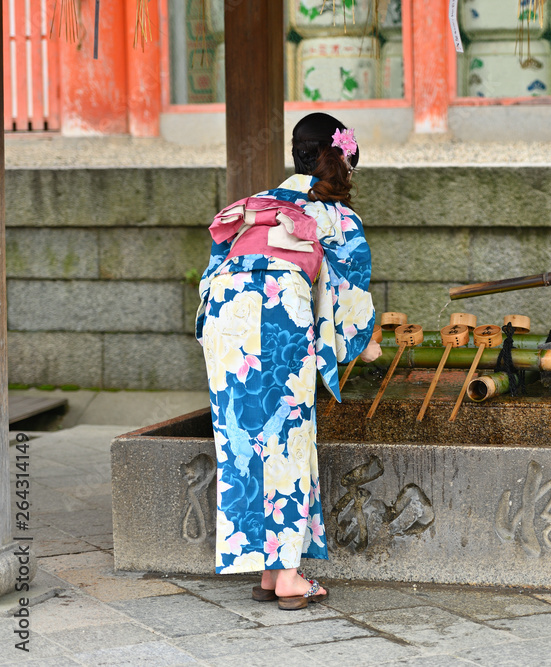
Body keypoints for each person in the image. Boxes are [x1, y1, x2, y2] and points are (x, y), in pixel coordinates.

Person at [195, 113, 381, 610]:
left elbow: (215, 261)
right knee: (287, 437)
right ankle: (291, 578)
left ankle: (268, 572)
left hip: (224, 317)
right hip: (277, 313)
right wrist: (359, 342)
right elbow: (350, 295)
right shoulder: (337, 218)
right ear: (342, 160)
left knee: (242, 443)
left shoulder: (258, 204)